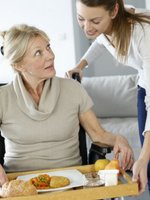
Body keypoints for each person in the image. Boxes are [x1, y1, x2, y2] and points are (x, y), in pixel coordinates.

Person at [0, 24, 133, 187]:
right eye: (38, 53)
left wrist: (120, 139)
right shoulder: (2, 98)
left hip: (71, 183)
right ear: (19, 66)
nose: (50, 56)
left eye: (48, 47)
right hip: (20, 187)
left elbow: (99, 135)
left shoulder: (72, 89)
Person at [65, 0, 150, 196]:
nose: (87, 27)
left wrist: (143, 159)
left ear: (114, 11)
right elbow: (100, 42)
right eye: (81, 18)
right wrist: (81, 64)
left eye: (94, 20)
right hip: (145, 84)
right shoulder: (107, 25)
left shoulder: (143, 32)